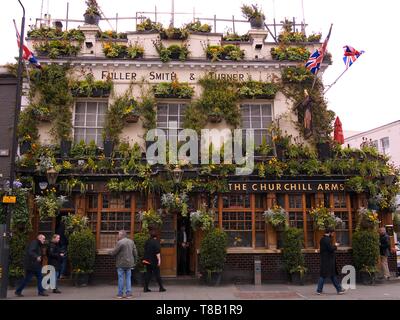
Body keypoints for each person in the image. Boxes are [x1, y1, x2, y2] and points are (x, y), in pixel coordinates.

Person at [316, 227, 346, 295]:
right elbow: (330, 249)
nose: (333, 234)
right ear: (329, 232)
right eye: (332, 233)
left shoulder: (322, 239)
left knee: (324, 275)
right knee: (331, 275)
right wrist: (336, 245)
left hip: (324, 259)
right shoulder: (327, 240)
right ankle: (339, 289)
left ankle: (319, 290)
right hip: (329, 260)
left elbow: (325, 249)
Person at [109, 230, 138, 299]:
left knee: (121, 279)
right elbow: (135, 253)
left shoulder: (120, 242)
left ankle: (120, 294)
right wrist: (135, 261)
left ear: (122, 235)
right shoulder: (131, 242)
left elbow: (114, 252)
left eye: (119, 234)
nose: (118, 236)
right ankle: (129, 294)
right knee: (128, 278)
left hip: (121, 263)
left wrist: (109, 252)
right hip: (129, 263)